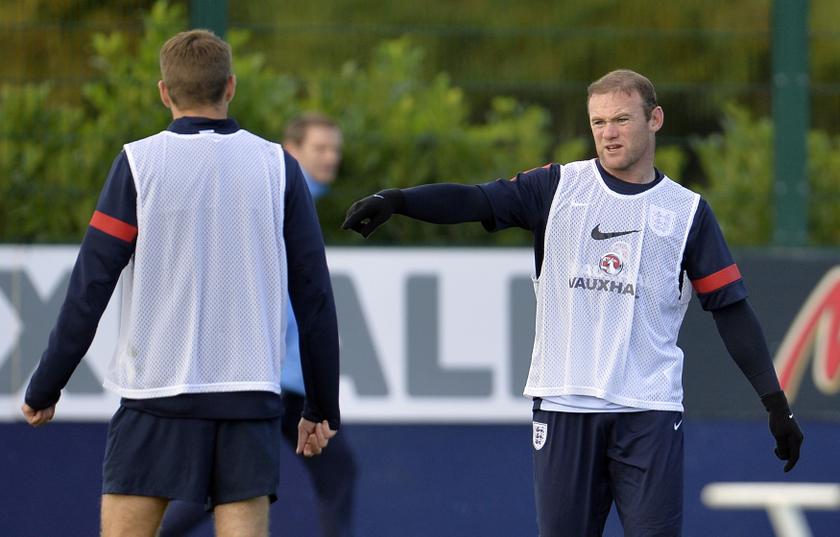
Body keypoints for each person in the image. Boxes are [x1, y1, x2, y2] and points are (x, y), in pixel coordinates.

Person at [342, 69, 804, 537]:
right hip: (565, 405)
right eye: (598, 122)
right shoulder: (557, 187)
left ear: (655, 119)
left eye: (621, 119)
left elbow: (731, 310)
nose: (608, 133)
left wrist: (775, 405)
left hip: (648, 409)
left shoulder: (688, 213)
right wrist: (399, 200)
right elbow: (475, 200)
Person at [21, 30, 341, 537]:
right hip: (248, 398)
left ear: (164, 92)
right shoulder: (278, 167)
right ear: (230, 87)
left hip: (155, 396)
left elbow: (90, 287)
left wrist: (46, 384)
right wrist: (321, 407)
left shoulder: (138, 164)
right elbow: (315, 296)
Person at [161, 113, 357, 537]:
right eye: (320, 148)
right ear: (291, 150)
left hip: (275, 375)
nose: (330, 157)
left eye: (334, 149)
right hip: (271, 376)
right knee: (230, 484)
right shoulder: (278, 198)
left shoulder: (287, 197)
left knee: (230, 483)